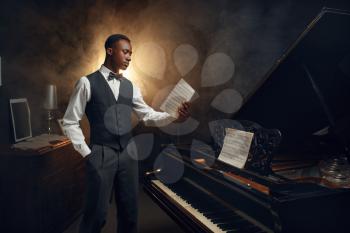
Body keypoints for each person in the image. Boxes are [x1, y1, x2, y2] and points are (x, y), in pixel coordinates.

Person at [62, 34, 190, 233]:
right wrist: (88, 154)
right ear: (110, 51)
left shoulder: (131, 86)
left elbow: (147, 116)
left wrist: (173, 116)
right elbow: (70, 121)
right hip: (101, 153)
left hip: (129, 154)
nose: (129, 57)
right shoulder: (86, 83)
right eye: (126, 51)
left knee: (130, 213)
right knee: (96, 215)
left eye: (131, 53)